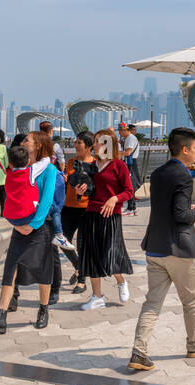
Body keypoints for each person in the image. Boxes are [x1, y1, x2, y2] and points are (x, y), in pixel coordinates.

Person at [129, 127, 195, 370]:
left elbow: (164, 210)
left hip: (155, 247)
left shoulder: (157, 174)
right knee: (190, 301)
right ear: (185, 149)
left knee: (152, 303)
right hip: (177, 250)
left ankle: (139, 352)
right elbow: (180, 214)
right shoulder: (184, 176)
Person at [0, 139, 62, 333]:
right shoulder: (24, 171)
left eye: (28, 140)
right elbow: (12, 200)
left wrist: (32, 225)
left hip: (40, 227)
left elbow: (47, 201)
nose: (24, 142)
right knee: (10, 269)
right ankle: (1, 315)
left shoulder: (48, 170)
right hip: (20, 227)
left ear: (38, 145)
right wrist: (16, 223)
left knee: (43, 269)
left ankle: (43, 309)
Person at [78, 129, 134, 309]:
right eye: (94, 141)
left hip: (111, 215)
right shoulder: (92, 166)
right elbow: (90, 190)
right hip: (92, 212)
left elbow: (129, 191)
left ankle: (120, 281)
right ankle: (97, 296)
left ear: (109, 145)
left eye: (98, 141)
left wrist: (114, 199)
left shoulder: (119, 165)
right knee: (93, 255)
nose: (94, 145)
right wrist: (82, 191)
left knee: (111, 252)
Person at [60, 132, 96, 294]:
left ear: (89, 146)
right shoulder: (71, 162)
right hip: (68, 207)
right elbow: (68, 179)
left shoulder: (96, 164)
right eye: (75, 142)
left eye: (79, 143)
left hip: (87, 209)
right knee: (62, 240)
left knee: (82, 244)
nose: (75, 145)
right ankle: (78, 267)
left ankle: (82, 281)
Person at [120, 123, 142, 215]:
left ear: (125, 130)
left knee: (130, 185)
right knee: (130, 184)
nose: (120, 133)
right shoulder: (129, 138)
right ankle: (132, 207)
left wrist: (115, 153)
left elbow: (128, 153)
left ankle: (131, 208)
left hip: (131, 163)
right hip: (131, 163)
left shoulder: (130, 138)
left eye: (120, 131)